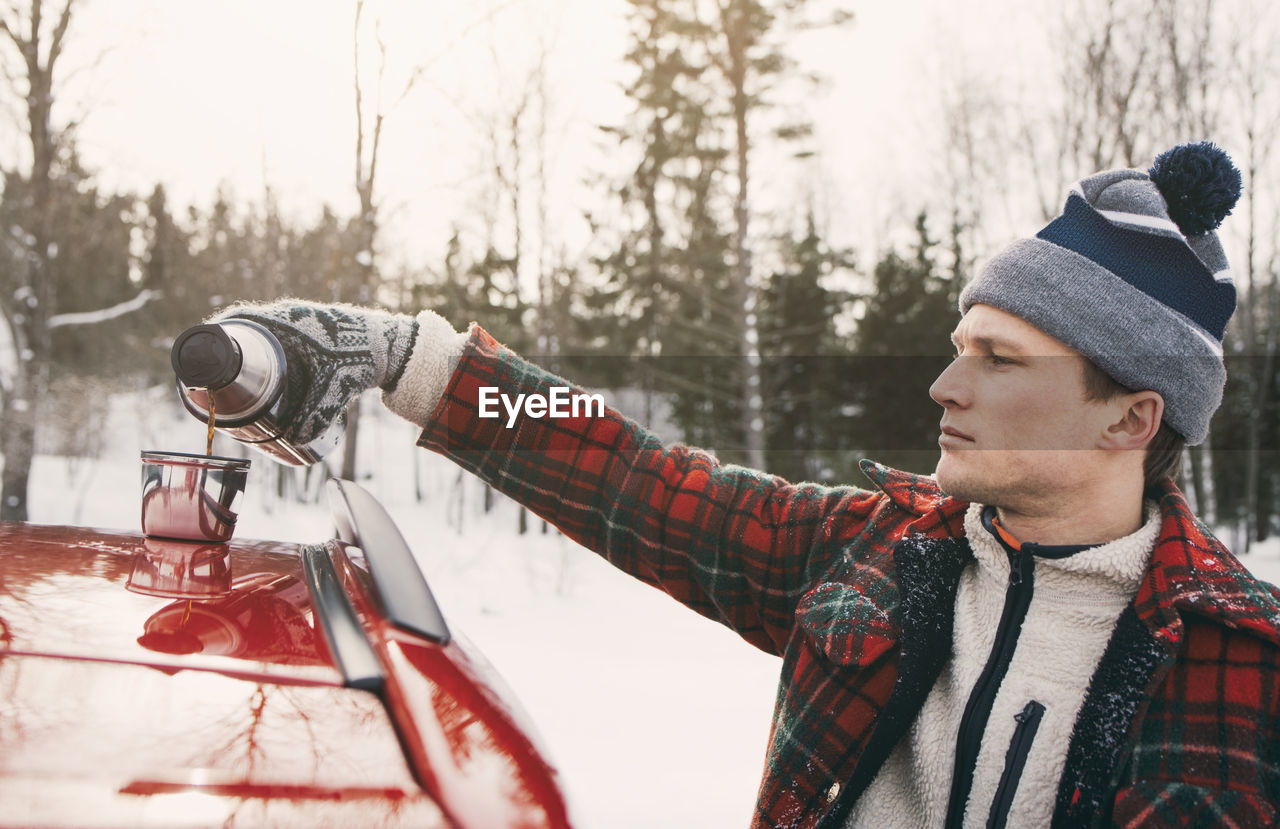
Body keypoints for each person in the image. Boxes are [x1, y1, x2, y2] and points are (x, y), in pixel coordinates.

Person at [214, 141, 1280, 828]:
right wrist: (408, 357)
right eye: (961, 345)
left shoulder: (1250, 667)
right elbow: (621, 467)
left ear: (1129, 417)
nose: (944, 384)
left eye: (999, 360)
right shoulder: (871, 555)